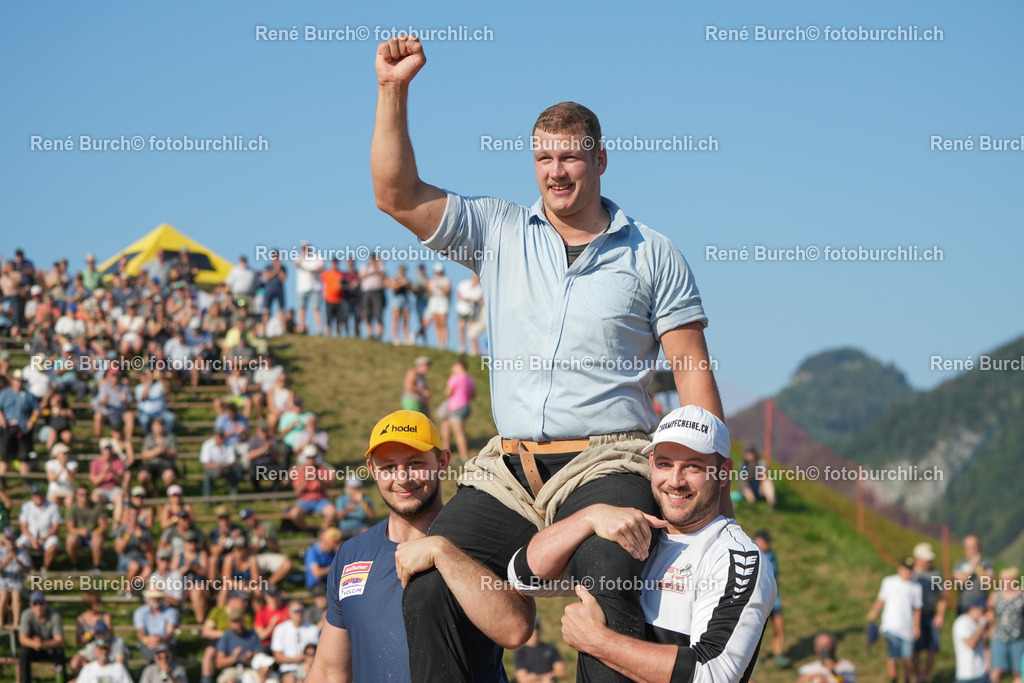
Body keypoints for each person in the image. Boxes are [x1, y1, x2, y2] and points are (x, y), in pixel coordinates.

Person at [372, 36, 724, 682]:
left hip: (607, 457)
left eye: (570, 157)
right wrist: (393, 90)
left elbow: (695, 383)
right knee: (429, 582)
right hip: (507, 467)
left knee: (608, 567)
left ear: (601, 160)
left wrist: (716, 516)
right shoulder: (498, 229)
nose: (556, 171)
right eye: (544, 157)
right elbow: (395, 194)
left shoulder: (653, 254)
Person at [509, 406, 775, 683]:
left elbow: (710, 675)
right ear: (650, 464)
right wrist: (589, 517)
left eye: (693, 466)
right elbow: (525, 578)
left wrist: (596, 641)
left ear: (723, 472)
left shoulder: (735, 557)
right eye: (665, 464)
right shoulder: (633, 533)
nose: (675, 481)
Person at [305, 410, 535, 683]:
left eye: (415, 463)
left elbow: (516, 630)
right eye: (388, 467)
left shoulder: (479, 539)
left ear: (443, 461)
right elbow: (330, 672)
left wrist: (444, 552)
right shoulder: (352, 555)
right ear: (372, 470)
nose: (402, 478)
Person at [868, 557, 923, 683]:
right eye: (906, 569)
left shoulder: (916, 587)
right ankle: (893, 679)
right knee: (892, 656)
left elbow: (917, 609)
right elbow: (881, 599)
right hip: (890, 626)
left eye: (910, 569)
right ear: (900, 568)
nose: (908, 572)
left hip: (907, 628)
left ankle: (907, 680)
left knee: (908, 658)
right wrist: (874, 611)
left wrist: (916, 626)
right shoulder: (889, 582)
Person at [911, 541, 947, 683]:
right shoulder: (911, 573)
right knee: (916, 648)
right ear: (917, 558)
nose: (929, 563)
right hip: (914, 616)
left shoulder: (936, 574)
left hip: (931, 614)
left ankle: (925, 677)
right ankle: (916, 676)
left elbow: (943, 596)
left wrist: (940, 615)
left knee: (933, 647)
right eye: (926, 560)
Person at [752, 529, 789, 668]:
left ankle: (778, 655)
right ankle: (755, 656)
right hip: (758, 599)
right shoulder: (751, 555)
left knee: (779, 626)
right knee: (756, 629)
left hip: (774, 599)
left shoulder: (772, 556)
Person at [18, 590, 66, 683]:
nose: (39, 607)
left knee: (60, 651)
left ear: (46, 603)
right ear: (31, 605)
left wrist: (43, 644)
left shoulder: (54, 615)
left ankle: (61, 680)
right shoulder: (26, 615)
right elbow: (22, 639)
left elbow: (60, 641)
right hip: (33, 649)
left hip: (49, 648)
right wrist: (34, 644)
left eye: (41, 603)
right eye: (35, 604)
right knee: (23, 652)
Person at [988, 566, 1024, 683]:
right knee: (997, 671)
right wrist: (992, 626)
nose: (1003, 582)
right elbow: (989, 610)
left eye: (1006, 579)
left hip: (1018, 637)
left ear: (1014, 580)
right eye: (1002, 579)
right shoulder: (996, 595)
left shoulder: (1021, 594)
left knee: (1018, 672)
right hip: (999, 636)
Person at [0, 369, 39, 476]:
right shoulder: (5, 394)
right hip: (8, 428)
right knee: (4, 456)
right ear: (13, 380)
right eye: (17, 380)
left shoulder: (28, 395)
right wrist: (2, 419)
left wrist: (32, 420)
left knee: (24, 457)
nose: (19, 382)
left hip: (23, 429)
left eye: (21, 380)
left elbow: (36, 409)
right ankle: (1, 480)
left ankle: (25, 480)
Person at [271, 600, 320, 683]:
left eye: (301, 611)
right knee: (290, 679)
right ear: (289, 612)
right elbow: (277, 657)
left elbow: (317, 653)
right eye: (296, 611)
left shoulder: (313, 629)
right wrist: (297, 659)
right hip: (288, 669)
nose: (299, 614)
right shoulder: (280, 629)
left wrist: (306, 663)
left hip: (308, 667)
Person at [17, 483, 62, 571]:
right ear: (32, 496)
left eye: (40, 494)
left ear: (44, 495)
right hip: (30, 535)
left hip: (47, 536)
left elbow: (56, 527)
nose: (38, 497)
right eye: (36, 495)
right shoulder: (26, 507)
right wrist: (32, 539)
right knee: (20, 545)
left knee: (53, 546)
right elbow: (23, 527)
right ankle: (31, 569)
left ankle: (44, 568)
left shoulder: (53, 507)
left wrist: (45, 537)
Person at [214, 609, 265, 683]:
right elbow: (219, 663)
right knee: (230, 681)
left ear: (243, 621)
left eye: (239, 621)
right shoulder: (226, 637)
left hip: (249, 669)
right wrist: (235, 658)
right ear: (230, 623)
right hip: (231, 670)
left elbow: (260, 659)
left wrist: (249, 659)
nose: (238, 624)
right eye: (235, 622)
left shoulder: (253, 636)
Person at [66, 485, 109, 571]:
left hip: (93, 535)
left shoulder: (97, 507)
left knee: (98, 539)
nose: (84, 497)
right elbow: (70, 528)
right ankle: (74, 564)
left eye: (86, 494)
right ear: (77, 496)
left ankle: (97, 566)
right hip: (78, 535)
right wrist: (79, 531)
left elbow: (103, 526)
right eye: (81, 495)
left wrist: (98, 531)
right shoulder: (72, 508)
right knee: (71, 540)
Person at [440, 358, 475, 462]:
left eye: (454, 365)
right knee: (445, 426)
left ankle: (464, 458)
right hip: (466, 406)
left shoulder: (455, 377)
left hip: (456, 407)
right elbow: (473, 394)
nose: (452, 368)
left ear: (460, 366)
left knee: (458, 433)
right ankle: (445, 451)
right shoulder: (470, 379)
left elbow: (448, 392)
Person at [89, 437, 128, 525]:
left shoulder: (118, 462)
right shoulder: (95, 463)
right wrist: (104, 473)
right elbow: (94, 483)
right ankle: (100, 523)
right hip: (101, 489)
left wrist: (112, 472)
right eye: (105, 449)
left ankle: (116, 524)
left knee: (119, 497)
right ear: (101, 450)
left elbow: (121, 480)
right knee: (95, 497)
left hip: (115, 488)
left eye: (109, 448)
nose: (107, 451)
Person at [514, 619, 566, 683]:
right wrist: (544, 680)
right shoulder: (521, 652)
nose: (535, 632)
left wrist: (538, 678)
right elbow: (522, 679)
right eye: (532, 629)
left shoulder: (551, 648)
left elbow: (561, 672)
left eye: (537, 628)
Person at [134, 588, 179, 663]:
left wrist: (160, 640)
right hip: (147, 643)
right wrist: (148, 640)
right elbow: (140, 632)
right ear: (148, 598)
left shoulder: (171, 612)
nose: (155, 600)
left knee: (163, 649)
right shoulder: (139, 612)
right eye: (153, 597)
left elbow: (170, 633)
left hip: (165, 642)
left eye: (157, 597)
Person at [954, 534, 995, 615]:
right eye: (968, 548)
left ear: (979, 547)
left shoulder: (987, 563)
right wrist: (973, 567)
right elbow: (960, 582)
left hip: (981, 608)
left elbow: (987, 583)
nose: (972, 550)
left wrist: (978, 567)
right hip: (964, 607)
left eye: (974, 547)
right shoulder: (959, 564)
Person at [138, 415, 180, 491]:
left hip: (166, 464)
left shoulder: (171, 437)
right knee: (142, 477)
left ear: (165, 427)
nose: (159, 428)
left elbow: (175, 452)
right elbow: (144, 454)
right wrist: (155, 452)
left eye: (161, 426)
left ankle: (170, 495)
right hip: (151, 464)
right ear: (152, 427)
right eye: (157, 426)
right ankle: (148, 493)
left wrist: (165, 452)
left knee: (169, 476)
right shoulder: (148, 438)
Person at [952, 598, 990, 683]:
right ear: (973, 608)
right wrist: (981, 627)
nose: (983, 615)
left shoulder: (978, 623)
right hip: (967, 676)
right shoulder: (962, 622)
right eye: (982, 611)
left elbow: (986, 646)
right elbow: (971, 644)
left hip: (982, 674)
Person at [0, 526, 30, 627]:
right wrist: (5, 563)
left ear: (16, 538)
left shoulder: (23, 552)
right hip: (3, 583)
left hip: (17, 583)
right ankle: (0, 622)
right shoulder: (0, 552)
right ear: (5, 539)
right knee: (4, 594)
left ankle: (16, 623)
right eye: (8, 539)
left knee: (16, 593)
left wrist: (17, 561)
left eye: (12, 538)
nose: (10, 541)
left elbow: (27, 571)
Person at [294, 241, 325, 334]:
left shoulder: (316, 256)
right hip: (302, 287)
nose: (305, 250)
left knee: (316, 308)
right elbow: (296, 264)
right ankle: (301, 328)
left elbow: (321, 267)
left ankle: (319, 330)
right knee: (302, 308)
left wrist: (313, 271)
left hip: (315, 287)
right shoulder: (299, 258)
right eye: (303, 248)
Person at [200, 429, 241, 497]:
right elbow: (206, 464)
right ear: (214, 436)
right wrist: (217, 465)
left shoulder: (229, 444)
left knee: (234, 473)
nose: (220, 438)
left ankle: (234, 499)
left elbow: (232, 462)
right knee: (207, 475)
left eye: (221, 436)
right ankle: (207, 499)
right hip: (212, 469)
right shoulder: (207, 445)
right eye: (218, 436)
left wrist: (224, 466)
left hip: (226, 468)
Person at [359, 252, 387, 340]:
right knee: (367, 313)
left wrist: (377, 267)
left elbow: (384, 277)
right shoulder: (364, 266)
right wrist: (372, 271)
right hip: (366, 293)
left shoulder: (381, 267)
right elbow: (361, 276)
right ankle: (370, 334)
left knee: (378, 313)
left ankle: (379, 334)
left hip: (377, 292)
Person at [335, 476, 373, 540]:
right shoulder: (341, 499)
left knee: (367, 532)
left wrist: (362, 502)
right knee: (335, 535)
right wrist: (347, 509)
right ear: (347, 488)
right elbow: (338, 516)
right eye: (352, 488)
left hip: (361, 528)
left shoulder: (365, 499)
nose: (355, 490)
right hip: (344, 529)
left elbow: (370, 515)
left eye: (357, 488)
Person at [423, 263, 450, 348]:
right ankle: (440, 344)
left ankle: (444, 343)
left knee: (443, 324)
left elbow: (446, 290)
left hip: (443, 302)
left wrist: (438, 285)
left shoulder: (446, 280)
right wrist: (427, 288)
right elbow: (428, 293)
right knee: (437, 324)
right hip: (434, 302)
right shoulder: (431, 281)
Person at [454, 273, 483, 355]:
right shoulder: (464, 284)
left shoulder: (479, 289)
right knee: (461, 328)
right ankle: (462, 347)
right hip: (462, 310)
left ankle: (473, 349)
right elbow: (459, 295)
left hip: (473, 312)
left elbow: (478, 301)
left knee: (471, 331)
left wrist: (468, 299)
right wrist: (468, 300)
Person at [321, 258, 345, 337]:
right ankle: (328, 334)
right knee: (329, 318)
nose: (334, 264)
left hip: (339, 300)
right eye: (333, 263)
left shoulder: (341, 275)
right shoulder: (326, 274)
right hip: (329, 299)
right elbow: (321, 283)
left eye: (336, 263)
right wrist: (323, 293)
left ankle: (338, 335)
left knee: (339, 319)